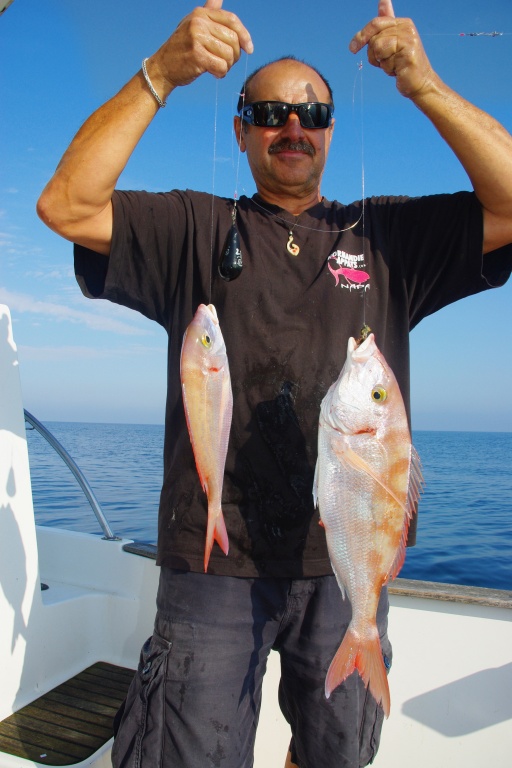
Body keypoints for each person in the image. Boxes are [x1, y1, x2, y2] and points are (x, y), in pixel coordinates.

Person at [37, 1, 512, 766]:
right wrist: (160, 73)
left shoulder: (386, 236)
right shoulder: (192, 229)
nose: (292, 126)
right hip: (211, 566)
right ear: (241, 129)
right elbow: (66, 204)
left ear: (331, 127)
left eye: (312, 112)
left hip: (344, 567)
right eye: (269, 112)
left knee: (336, 752)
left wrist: (422, 82)